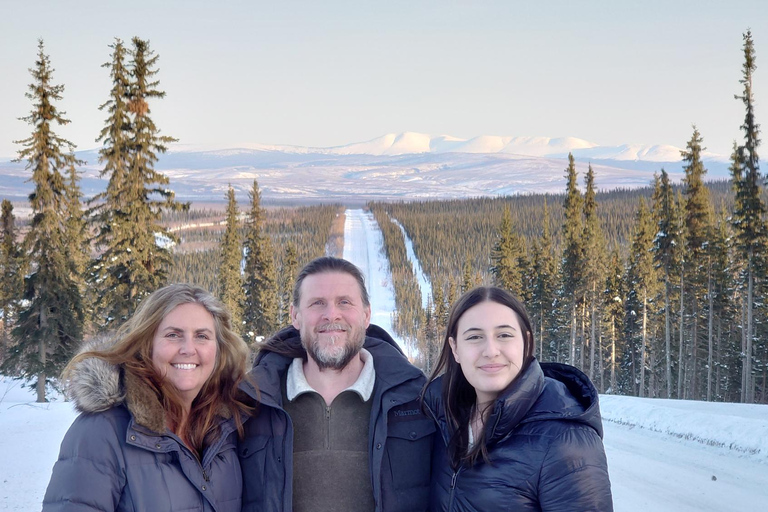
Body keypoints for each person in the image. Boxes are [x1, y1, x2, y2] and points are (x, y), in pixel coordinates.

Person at [239, 256, 434, 512]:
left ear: (366, 315)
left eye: (344, 302)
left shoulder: (417, 401)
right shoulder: (252, 404)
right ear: (295, 316)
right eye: (317, 303)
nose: (331, 314)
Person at [43, 283, 254, 512]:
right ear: (147, 344)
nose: (188, 348)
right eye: (173, 335)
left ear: (219, 349)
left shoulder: (228, 427)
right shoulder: (102, 431)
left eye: (202, 336)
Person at [422, 286, 613, 511]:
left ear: (525, 343)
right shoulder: (443, 419)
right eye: (474, 337)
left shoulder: (566, 441)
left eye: (504, 335)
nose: (491, 351)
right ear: (455, 349)